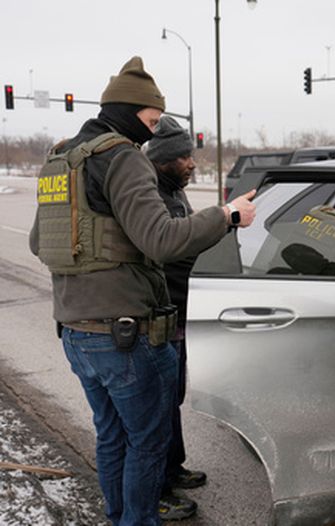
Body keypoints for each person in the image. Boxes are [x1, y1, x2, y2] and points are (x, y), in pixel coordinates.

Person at [29, 56, 256, 526]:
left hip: (75, 331)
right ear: (131, 111)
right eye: (152, 120)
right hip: (125, 335)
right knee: (149, 444)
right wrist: (227, 215)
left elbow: (39, 242)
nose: (152, 132)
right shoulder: (123, 157)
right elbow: (162, 240)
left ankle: (120, 518)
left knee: (112, 437)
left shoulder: (61, 160)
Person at [146, 116, 207, 520]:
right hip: (160, 316)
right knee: (158, 406)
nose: (191, 163)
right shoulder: (151, 196)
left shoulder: (175, 191)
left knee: (173, 398)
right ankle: (158, 489)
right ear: (164, 159)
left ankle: (174, 467)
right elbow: (172, 249)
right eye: (184, 157)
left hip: (181, 314)